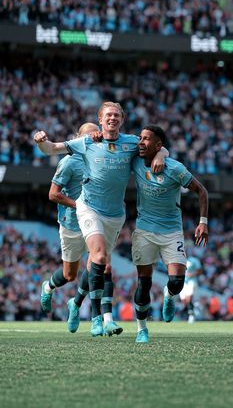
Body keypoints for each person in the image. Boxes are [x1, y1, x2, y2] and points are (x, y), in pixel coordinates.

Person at [34, 102, 168, 337]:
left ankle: (76, 304)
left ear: (122, 119)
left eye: (117, 114)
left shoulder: (129, 142)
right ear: (100, 119)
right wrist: (40, 140)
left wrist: (163, 154)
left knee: (94, 266)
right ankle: (98, 317)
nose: (113, 118)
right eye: (108, 115)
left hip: (114, 214)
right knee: (90, 265)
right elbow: (51, 149)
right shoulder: (84, 145)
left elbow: (154, 146)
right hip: (81, 213)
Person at [40, 122, 122, 336]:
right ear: (78, 138)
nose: (93, 138)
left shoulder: (103, 158)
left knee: (102, 265)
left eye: (96, 134)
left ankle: (104, 319)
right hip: (72, 223)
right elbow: (53, 194)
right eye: (87, 135)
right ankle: (51, 288)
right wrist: (81, 206)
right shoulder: (69, 162)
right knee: (70, 275)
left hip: (96, 219)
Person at [131, 125, 208, 343]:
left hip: (172, 231)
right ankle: (141, 330)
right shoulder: (135, 159)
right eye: (140, 138)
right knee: (143, 283)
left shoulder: (174, 168)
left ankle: (169, 295)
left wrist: (203, 222)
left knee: (177, 282)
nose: (141, 142)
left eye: (147, 139)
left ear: (158, 145)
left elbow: (202, 191)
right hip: (144, 229)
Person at [179, 256, 203, 323]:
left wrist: (192, 274)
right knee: (184, 301)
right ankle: (194, 308)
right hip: (182, 282)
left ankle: (191, 315)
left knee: (189, 297)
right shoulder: (178, 259)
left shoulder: (194, 260)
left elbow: (200, 271)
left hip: (191, 281)